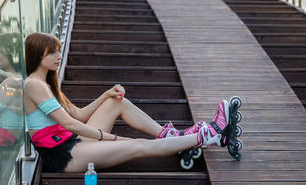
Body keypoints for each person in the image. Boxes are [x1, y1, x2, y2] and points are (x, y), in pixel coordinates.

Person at [24, 32, 234, 173]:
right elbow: (70, 124)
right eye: (52, 52)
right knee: (136, 145)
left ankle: (171, 136)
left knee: (118, 102)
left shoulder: (46, 84)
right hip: (63, 155)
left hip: (71, 142)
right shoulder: (33, 84)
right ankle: (210, 135)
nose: (59, 56)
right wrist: (110, 138)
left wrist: (106, 95)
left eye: (59, 50)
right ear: (37, 54)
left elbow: (78, 115)